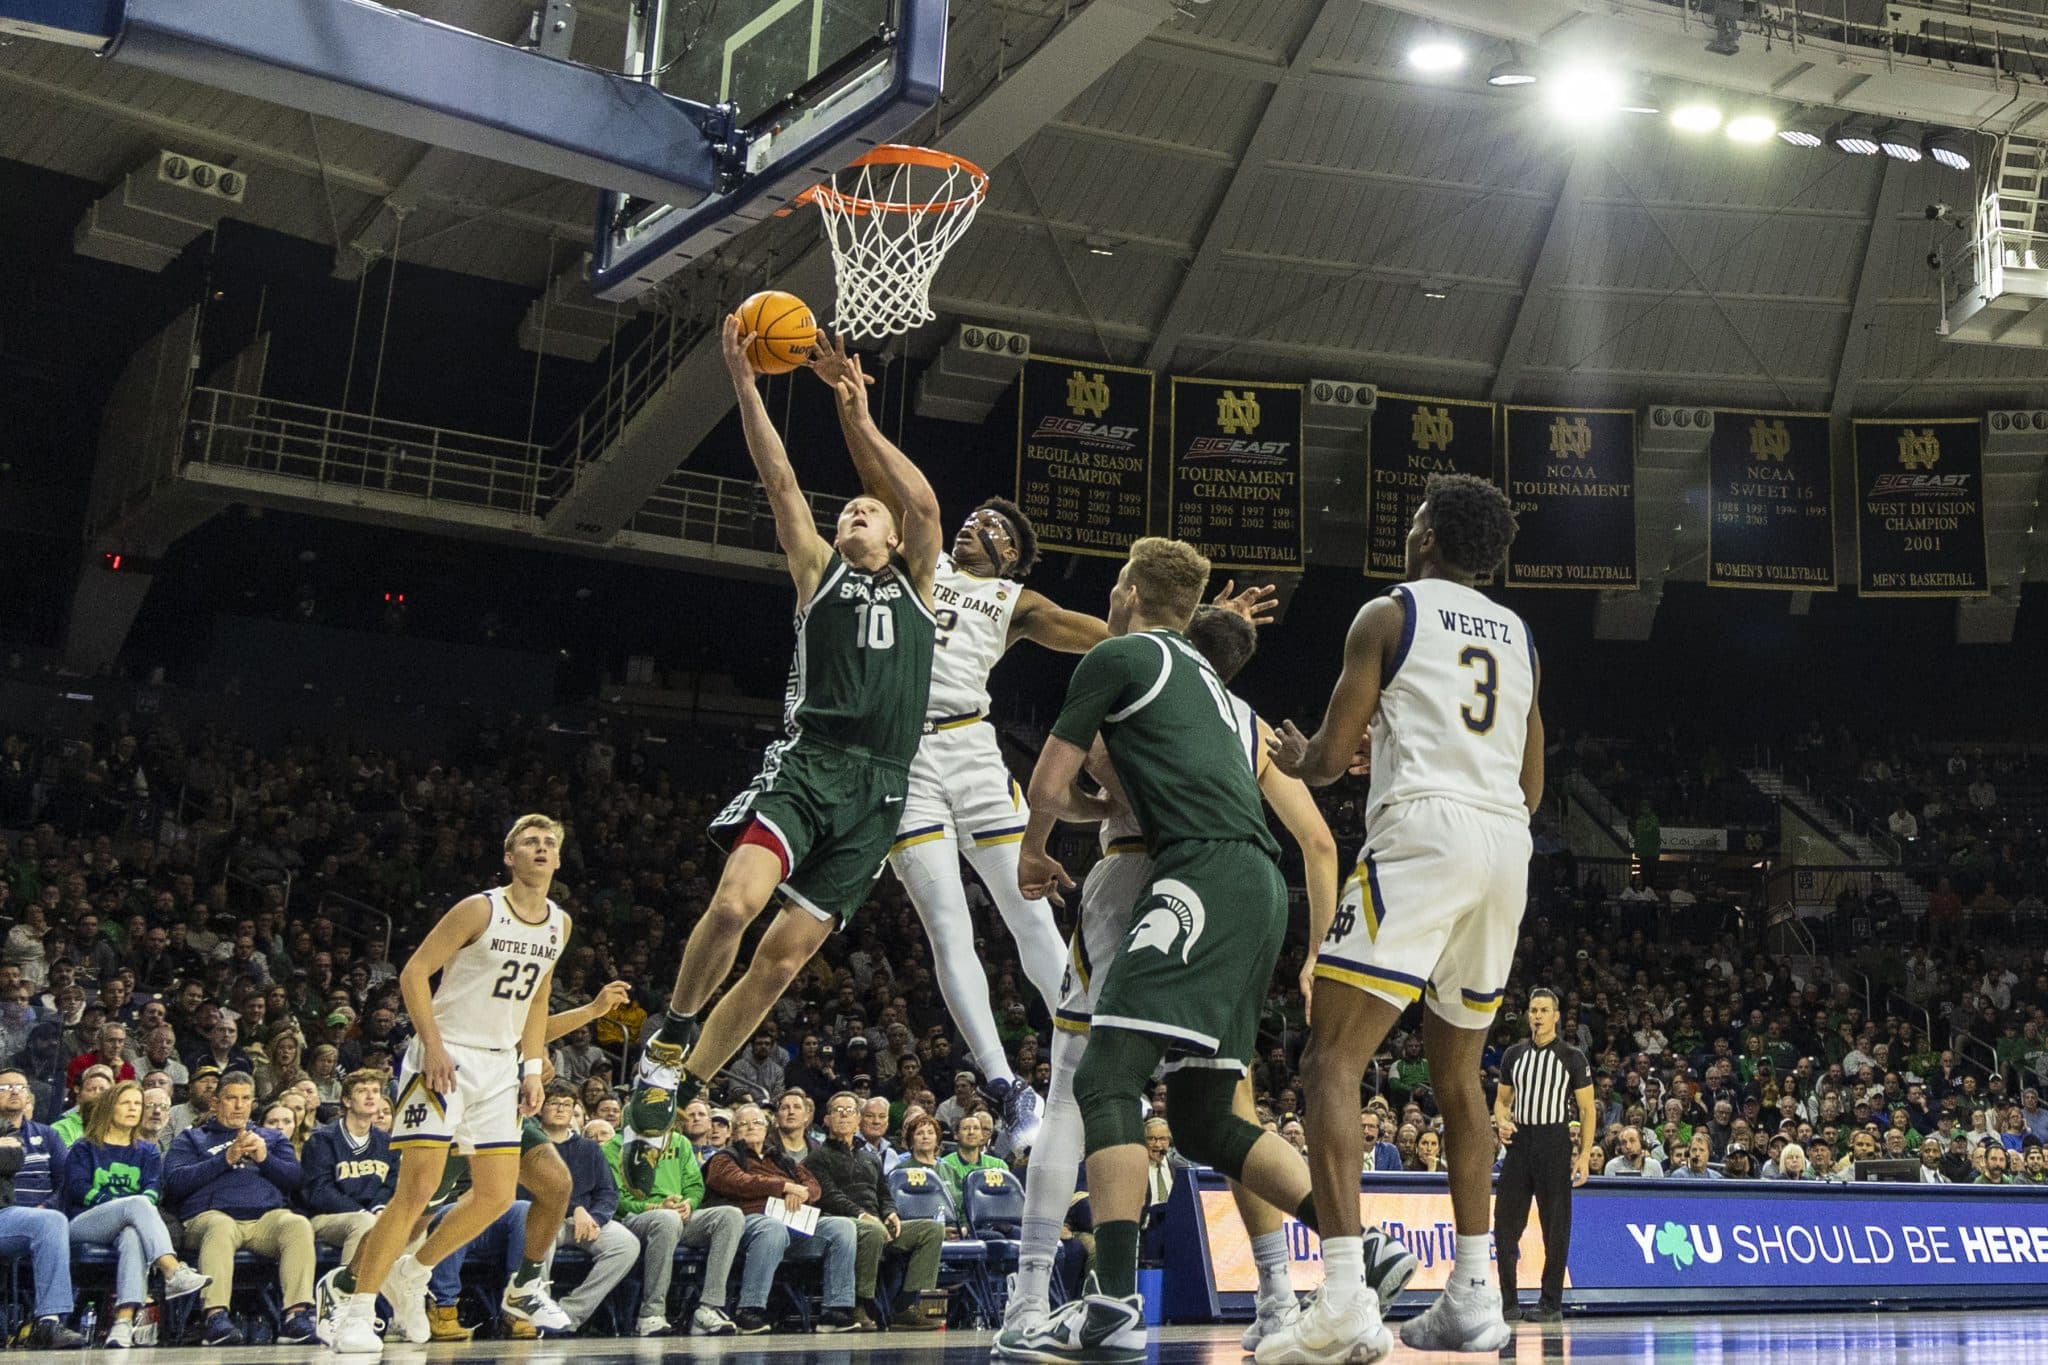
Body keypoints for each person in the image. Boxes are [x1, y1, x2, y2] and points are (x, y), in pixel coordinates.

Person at [816, 342, 1260, 1158]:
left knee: (1027, 914)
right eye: (975, 519)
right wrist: (854, 412)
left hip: (971, 748)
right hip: (901, 757)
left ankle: (1081, 1041)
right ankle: (1003, 1083)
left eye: (995, 528)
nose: (977, 528)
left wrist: (1203, 630)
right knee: (946, 923)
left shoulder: (1013, 601)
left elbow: (1124, 635)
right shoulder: (917, 559)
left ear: (1012, 558)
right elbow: (888, 486)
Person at [624, 316, 942, 1196]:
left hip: (881, 791)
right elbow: (780, 480)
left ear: (892, 537)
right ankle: (674, 1032)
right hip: (811, 763)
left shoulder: (917, 583)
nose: (856, 510)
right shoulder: (819, 571)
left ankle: (677, 1089)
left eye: (866, 508)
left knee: (783, 958)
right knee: (733, 907)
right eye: (850, 507)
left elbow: (924, 506)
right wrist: (745, 385)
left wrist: (862, 416)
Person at [1004, 537, 1335, 1365]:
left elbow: (1065, 789)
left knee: (1090, 1075)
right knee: (1211, 1111)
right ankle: (1322, 1267)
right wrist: (1318, 946)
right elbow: (1320, 841)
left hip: (1157, 877)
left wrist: (1038, 837)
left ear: (1126, 590)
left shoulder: (1124, 664)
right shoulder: (1235, 714)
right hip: (1254, 888)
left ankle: (1067, 1293)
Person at [1265, 473, 1538, 1359]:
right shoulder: (1522, 634)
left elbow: (1329, 757)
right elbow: (1531, 782)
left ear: (1426, 535)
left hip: (1423, 832)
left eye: (1416, 518)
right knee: (1460, 1079)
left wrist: (1300, 751)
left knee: (1331, 1058)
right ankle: (1474, 1295)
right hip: (1505, 843)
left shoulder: (1387, 613)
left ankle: (1344, 1293)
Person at [315, 814, 567, 1356]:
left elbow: (537, 1000)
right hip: (446, 1057)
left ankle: (414, 1271)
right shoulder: (480, 908)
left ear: (559, 859)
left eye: (550, 843)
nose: (541, 848)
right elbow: (413, 972)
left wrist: (530, 1068)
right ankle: (354, 1308)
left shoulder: (559, 924)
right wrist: (431, 1045)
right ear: (509, 855)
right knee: (418, 1193)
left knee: (498, 1195)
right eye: (531, 841)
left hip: (501, 1067)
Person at [162, 1070, 317, 1345]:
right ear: (216, 1102)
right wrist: (225, 1158)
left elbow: (295, 1180)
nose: (238, 1105)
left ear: (253, 1102)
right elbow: (174, 1183)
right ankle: (215, 1317)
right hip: (209, 1218)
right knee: (220, 1226)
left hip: (263, 1221)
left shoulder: (271, 1138)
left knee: (297, 1224)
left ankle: (296, 1316)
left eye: (245, 1099)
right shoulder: (192, 1138)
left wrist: (265, 1158)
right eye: (231, 1098)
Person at [61, 1080, 212, 1345]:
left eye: (137, 1104)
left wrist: (128, 1210)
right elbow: (78, 1189)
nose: (134, 1109)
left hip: (129, 1224)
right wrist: (121, 1206)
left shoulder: (148, 1151)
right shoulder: (84, 1147)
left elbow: (153, 1189)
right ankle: (172, 1270)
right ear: (110, 1107)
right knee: (137, 1206)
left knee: (132, 1235)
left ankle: (123, 1322)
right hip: (84, 1224)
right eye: (126, 1103)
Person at [703, 1102, 862, 1333]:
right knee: (772, 1228)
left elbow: (812, 1184)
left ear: (766, 1129)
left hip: (791, 1222)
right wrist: (784, 1186)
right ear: (734, 1131)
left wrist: (802, 1194)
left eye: (756, 1122)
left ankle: (834, 1311)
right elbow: (738, 1182)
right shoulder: (725, 1158)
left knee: (842, 1227)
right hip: (749, 1223)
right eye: (743, 1124)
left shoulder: (779, 1159)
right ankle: (750, 1309)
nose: (750, 1127)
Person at [1491, 988, 1595, 1323]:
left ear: (1556, 1015)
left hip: (1554, 1142)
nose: (1537, 1015)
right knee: (1505, 1225)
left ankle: (1551, 1303)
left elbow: (1587, 1109)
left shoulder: (1572, 1056)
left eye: (1544, 1010)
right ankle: (1508, 1301)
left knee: (1556, 1226)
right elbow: (1502, 1102)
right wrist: (1502, 1122)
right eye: (1533, 1009)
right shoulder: (1513, 1055)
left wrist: (1582, 1156)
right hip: (1520, 1144)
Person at [601, 1107, 745, 1337]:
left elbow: (695, 1186)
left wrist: (689, 1204)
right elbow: (617, 1200)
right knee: (666, 1219)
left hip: (678, 1215)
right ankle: (651, 1314)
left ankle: (708, 1308)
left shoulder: (679, 1142)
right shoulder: (614, 1146)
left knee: (730, 1215)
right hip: (633, 1221)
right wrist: (656, 1207)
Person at [807, 1090, 944, 1331]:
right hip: (844, 1224)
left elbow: (883, 1193)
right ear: (827, 1119)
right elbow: (830, 1196)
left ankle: (907, 1306)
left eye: (849, 1111)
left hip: (877, 1223)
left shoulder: (870, 1157)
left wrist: (891, 1213)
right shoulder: (817, 1157)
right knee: (870, 1230)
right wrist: (865, 1215)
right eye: (837, 1111)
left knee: (931, 1230)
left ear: (858, 1120)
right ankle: (860, 1304)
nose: (843, 1116)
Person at [532, 1081, 640, 1332]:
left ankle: (570, 1313)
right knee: (539, 1237)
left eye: (567, 1105)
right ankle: (539, 1310)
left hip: (587, 1222)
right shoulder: (530, 1143)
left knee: (626, 1245)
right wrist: (575, 1209)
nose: (560, 1109)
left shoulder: (589, 1149)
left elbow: (608, 1192)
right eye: (554, 1103)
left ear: (574, 1111)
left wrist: (595, 1218)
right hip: (544, 1217)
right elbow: (527, 1191)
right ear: (540, 1108)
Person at [0, 1064, 85, 1348]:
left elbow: (65, 1181)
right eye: (5, 1087)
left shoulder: (46, 1135)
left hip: (21, 1217)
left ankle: (48, 1322)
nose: (13, 1092)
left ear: (28, 1097)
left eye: (20, 1087)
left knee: (52, 1220)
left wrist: (47, 1204)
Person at [301, 1068, 397, 1266]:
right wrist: (363, 1213)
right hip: (327, 1219)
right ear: (346, 1100)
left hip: (373, 1215)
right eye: (362, 1091)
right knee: (364, 1224)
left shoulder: (388, 1143)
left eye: (376, 1090)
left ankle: (404, 1292)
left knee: (409, 1226)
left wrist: (379, 1209)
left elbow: (391, 1184)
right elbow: (320, 1192)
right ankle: (345, 1292)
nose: (371, 1096)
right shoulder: (322, 1140)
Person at [938, 1110, 1010, 1214]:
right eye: (966, 1128)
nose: (971, 1132)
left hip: (994, 1220)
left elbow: (1006, 1200)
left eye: (976, 1128)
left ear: (982, 1136)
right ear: (956, 1135)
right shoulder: (943, 1165)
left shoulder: (999, 1165)